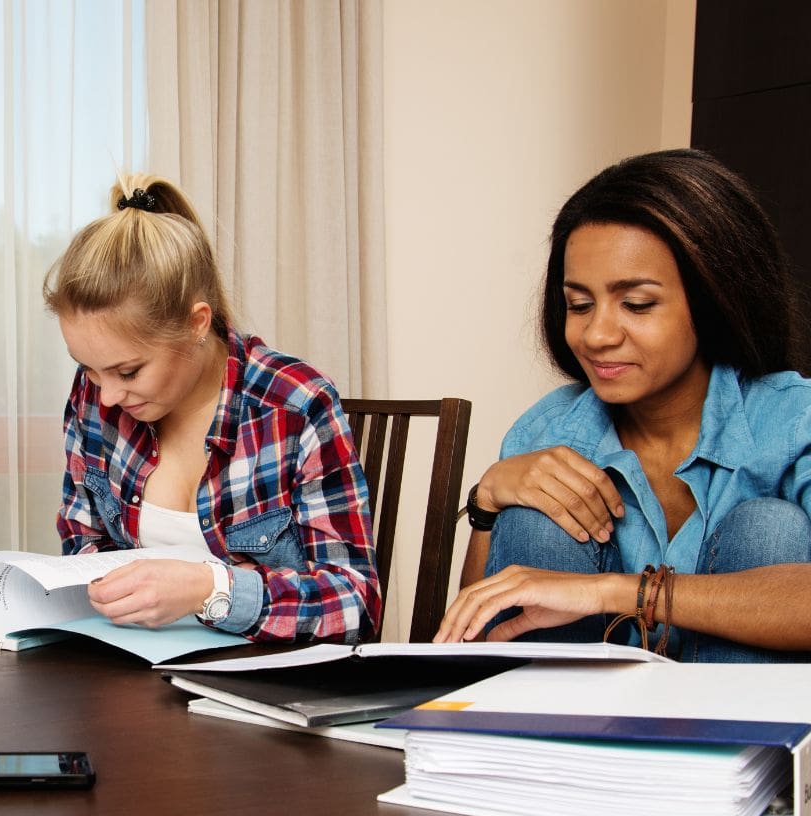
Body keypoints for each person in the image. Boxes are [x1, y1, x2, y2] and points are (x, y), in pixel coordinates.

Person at [435, 149, 811, 661]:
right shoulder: (549, 429)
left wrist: (618, 592)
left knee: (770, 527)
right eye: (579, 305)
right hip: (578, 723)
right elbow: (473, 636)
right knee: (533, 520)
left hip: (740, 721)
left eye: (636, 304)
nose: (597, 334)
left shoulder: (793, 420)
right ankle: (538, 738)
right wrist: (488, 500)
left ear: (714, 298)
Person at [44, 174, 379, 643]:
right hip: (132, 678)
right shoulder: (94, 393)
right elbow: (83, 543)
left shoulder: (295, 406)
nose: (106, 397)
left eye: (128, 371)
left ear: (196, 324)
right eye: (89, 368)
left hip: (261, 687)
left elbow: (355, 603)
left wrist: (210, 588)